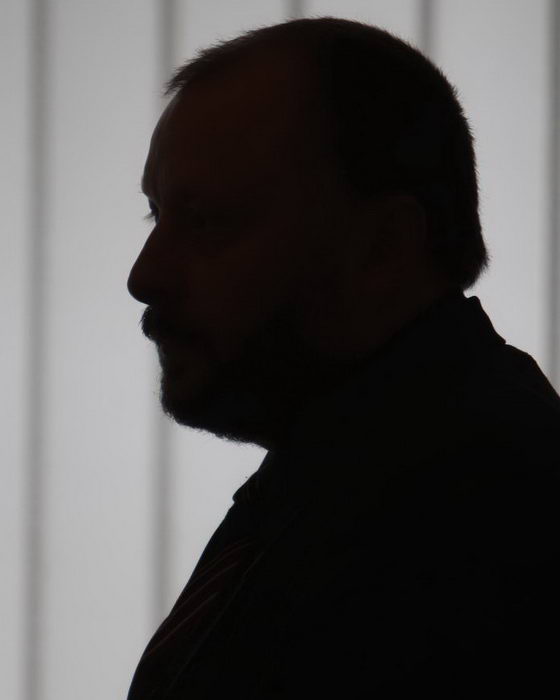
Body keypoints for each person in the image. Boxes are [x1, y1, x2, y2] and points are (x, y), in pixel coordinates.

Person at [126, 17, 560, 699]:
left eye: (205, 221)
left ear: (382, 248)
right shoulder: (346, 473)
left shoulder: (481, 534)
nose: (143, 276)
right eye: (157, 215)